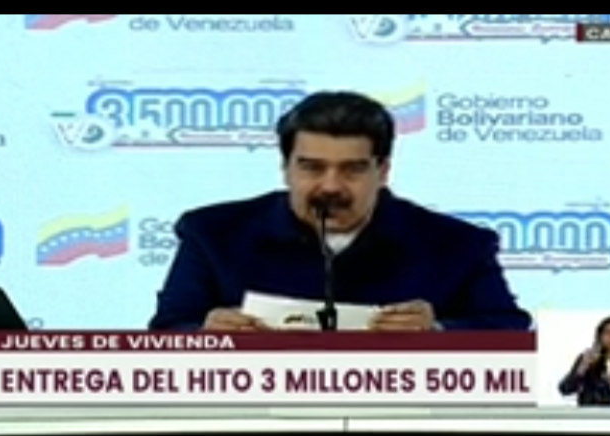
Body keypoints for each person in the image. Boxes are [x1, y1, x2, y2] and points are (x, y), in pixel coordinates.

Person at [148, 91, 533, 331]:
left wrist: (438, 332)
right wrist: (206, 335)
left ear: (383, 170)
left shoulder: (457, 244)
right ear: (286, 168)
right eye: (312, 168)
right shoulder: (213, 233)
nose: (331, 186)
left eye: (352, 169)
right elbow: (167, 331)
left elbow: (510, 331)